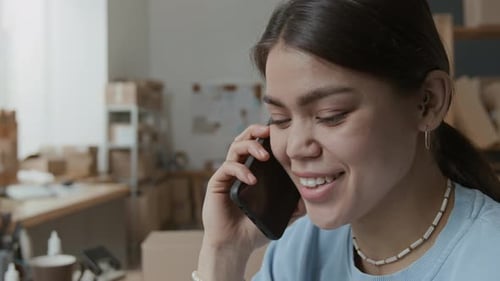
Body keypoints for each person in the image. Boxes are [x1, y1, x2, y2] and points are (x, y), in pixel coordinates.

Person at [194, 0, 500, 280]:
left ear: (428, 102)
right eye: (280, 119)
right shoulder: (298, 250)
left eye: (331, 114)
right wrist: (223, 254)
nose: (295, 147)